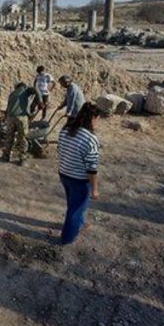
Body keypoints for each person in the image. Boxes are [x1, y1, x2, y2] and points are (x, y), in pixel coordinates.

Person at [56, 102, 102, 244]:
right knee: (75, 210)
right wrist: (94, 190)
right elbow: (92, 169)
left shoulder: (65, 130)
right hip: (79, 180)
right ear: (93, 118)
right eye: (98, 119)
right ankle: (67, 239)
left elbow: (59, 150)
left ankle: (80, 224)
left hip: (64, 173)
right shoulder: (91, 139)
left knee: (74, 204)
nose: (98, 122)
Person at [2, 82, 40, 166]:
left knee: (9, 137)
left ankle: (6, 156)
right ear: (24, 86)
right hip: (21, 117)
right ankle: (22, 159)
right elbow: (36, 90)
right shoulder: (25, 90)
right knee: (22, 138)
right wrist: (40, 101)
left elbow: (7, 108)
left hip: (10, 117)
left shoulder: (12, 94)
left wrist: (5, 119)